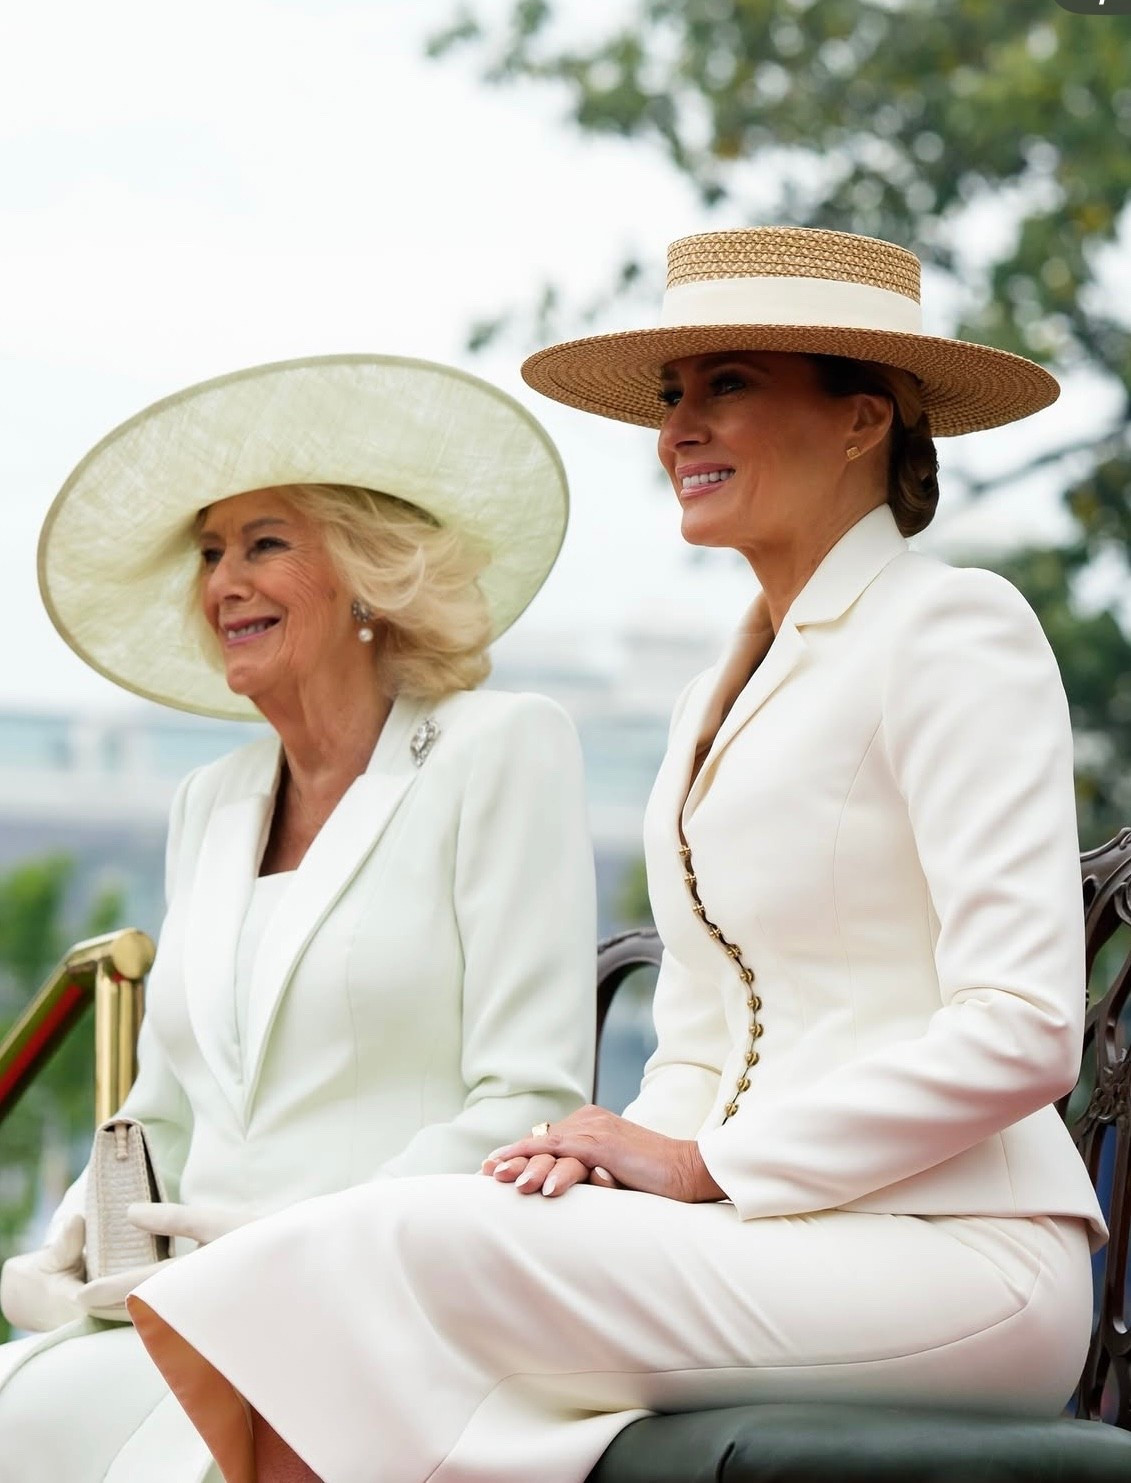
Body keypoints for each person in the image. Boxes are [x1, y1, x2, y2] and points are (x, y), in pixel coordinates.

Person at [126, 229, 1107, 1483]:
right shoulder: (712, 696)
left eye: (727, 385)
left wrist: (700, 1165)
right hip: (762, 1233)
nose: (677, 430)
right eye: (672, 394)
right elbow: (699, 1037)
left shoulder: (956, 628)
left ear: (863, 419)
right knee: (344, 1268)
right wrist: (603, 1152)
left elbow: (1027, 1029)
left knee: (371, 1256)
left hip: (954, 1251)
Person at [0, 354, 597, 1483]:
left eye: (264, 544)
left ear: (371, 576)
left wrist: (292, 1250)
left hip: (383, 1319)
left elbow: (528, 1101)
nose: (224, 580)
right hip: (183, 1318)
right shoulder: (209, 800)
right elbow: (160, 1111)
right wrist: (83, 1228)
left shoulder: (501, 748)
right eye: (210, 552)